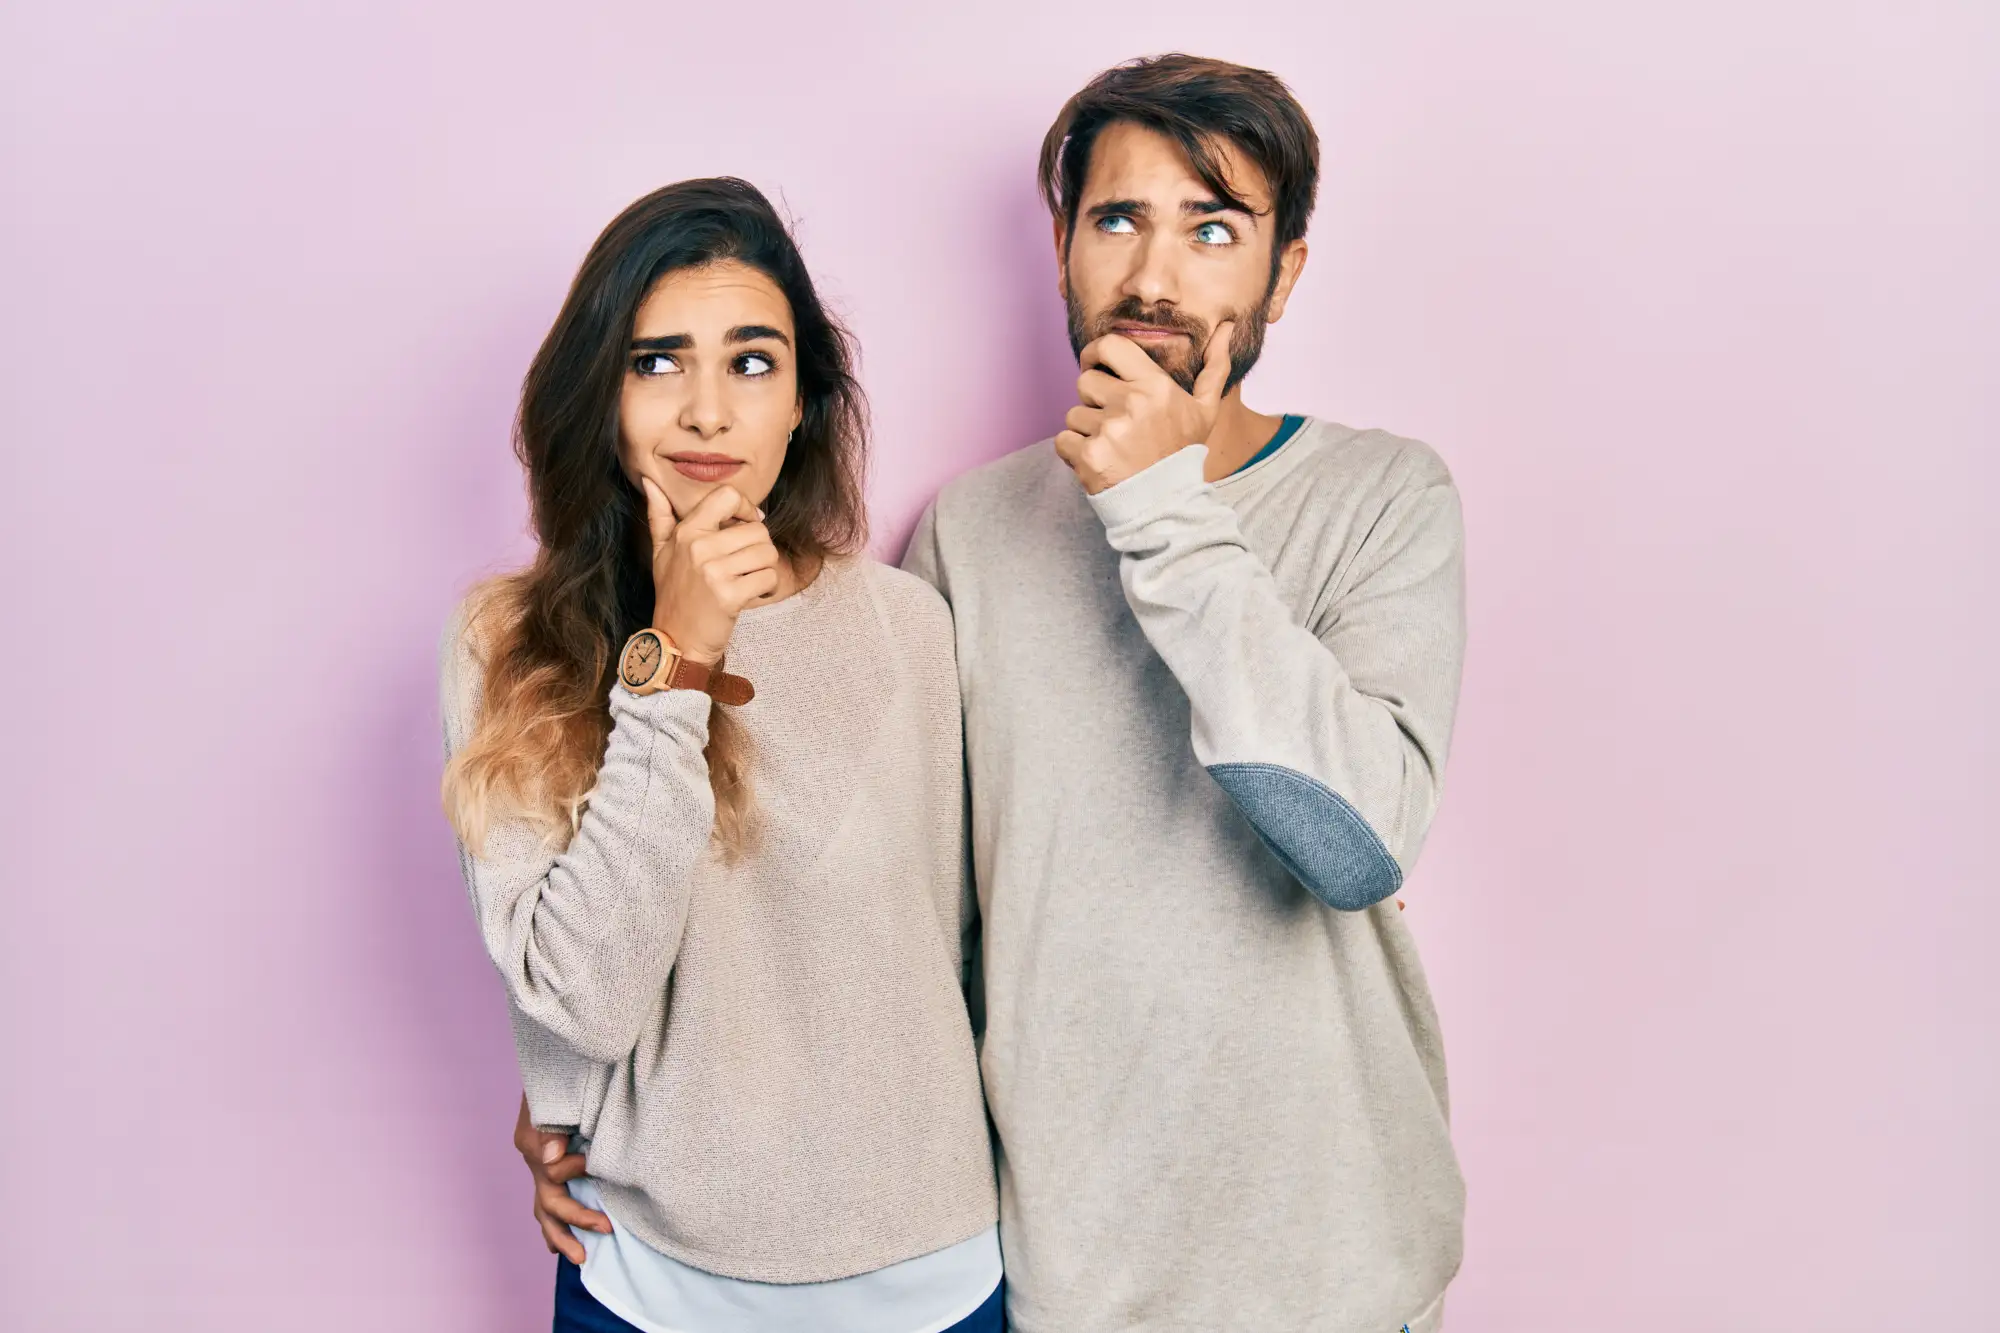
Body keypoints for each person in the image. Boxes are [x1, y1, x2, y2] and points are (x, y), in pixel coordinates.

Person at [899, 55, 1467, 1331]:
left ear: (1285, 270)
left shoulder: (1383, 499)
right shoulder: (970, 535)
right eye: (1117, 220)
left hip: (1332, 1261)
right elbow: (913, 919)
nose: (1154, 278)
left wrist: (1155, 509)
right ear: (1060, 247)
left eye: (1213, 229)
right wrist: (606, 1089)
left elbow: (1355, 843)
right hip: (1070, 1274)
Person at [440, 177, 1004, 1333]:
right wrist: (677, 654)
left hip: (929, 1281)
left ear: (802, 400)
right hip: (650, 1286)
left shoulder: (907, 625)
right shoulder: (508, 641)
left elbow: (967, 949)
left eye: (751, 362)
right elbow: (581, 1004)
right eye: (656, 362)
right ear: (600, 396)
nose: (706, 411)